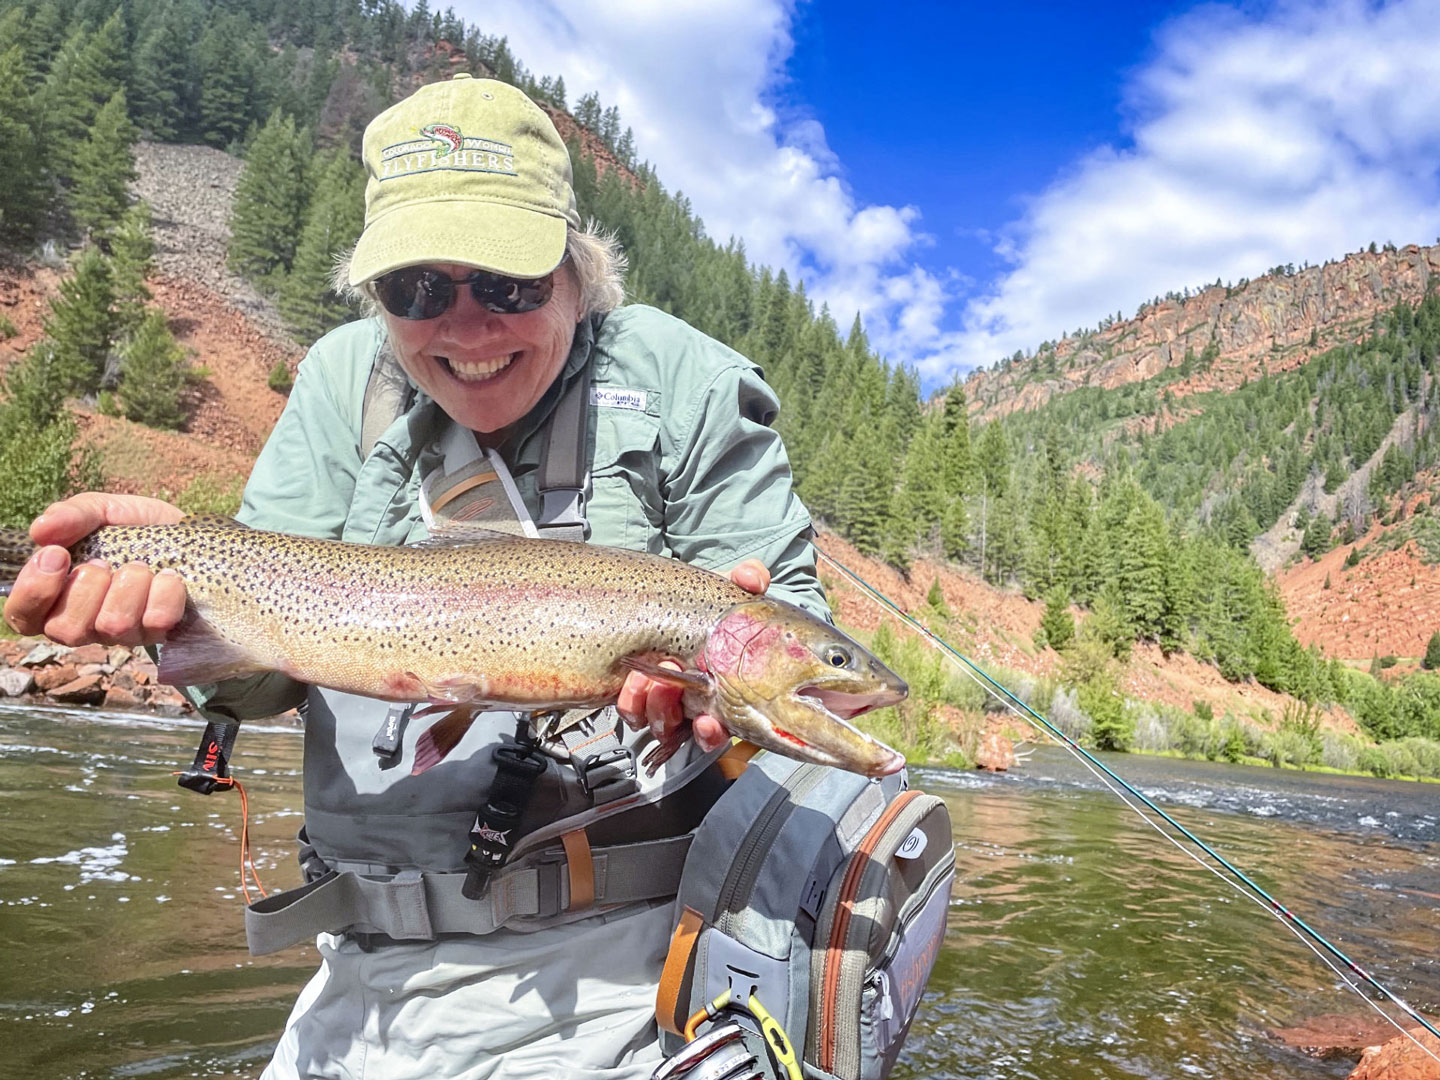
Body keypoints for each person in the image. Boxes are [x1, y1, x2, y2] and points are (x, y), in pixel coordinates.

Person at [3, 74, 825, 1078]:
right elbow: (255, 680)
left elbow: (794, 657)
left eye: (510, 286)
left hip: (622, 968)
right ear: (377, 295)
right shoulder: (344, 380)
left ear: (578, 271)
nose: (468, 330)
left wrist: (730, 701)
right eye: (419, 292)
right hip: (363, 972)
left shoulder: (685, 382)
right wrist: (168, 603)